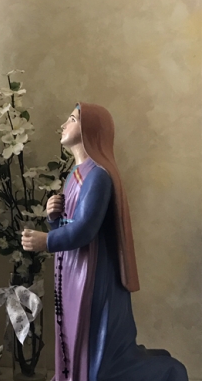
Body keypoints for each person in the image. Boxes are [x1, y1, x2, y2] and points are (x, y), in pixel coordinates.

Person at [22, 103, 188, 381]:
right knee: (72, 331)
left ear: (90, 129)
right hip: (74, 271)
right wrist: (53, 218)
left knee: (98, 351)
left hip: (94, 276)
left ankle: (169, 371)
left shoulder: (98, 176)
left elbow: (86, 229)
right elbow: (71, 224)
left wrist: (46, 240)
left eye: (72, 119)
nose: (63, 124)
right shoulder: (73, 177)